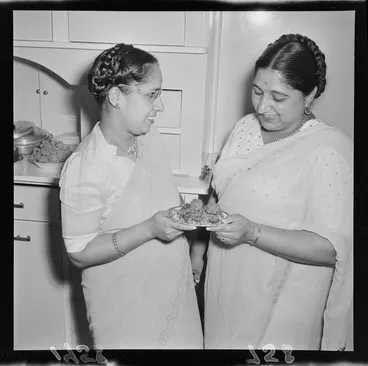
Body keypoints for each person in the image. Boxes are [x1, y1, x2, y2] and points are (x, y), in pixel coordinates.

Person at [192, 33, 353, 350]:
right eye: (257, 91)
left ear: (310, 95)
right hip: (228, 281)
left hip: (285, 299)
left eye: (278, 98)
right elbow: (224, 188)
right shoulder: (245, 128)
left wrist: (251, 232)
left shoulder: (329, 150)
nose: (262, 107)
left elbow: (331, 248)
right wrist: (199, 248)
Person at [59, 43, 203, 349]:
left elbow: (165, 199)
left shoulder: (150, 136)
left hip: (171, 291)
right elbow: (78, 252)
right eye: (152, 94)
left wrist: (190, 213)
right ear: (116, 96)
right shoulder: (85, 166)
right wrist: (149, 229)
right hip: (123, 311)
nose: (159, 106)